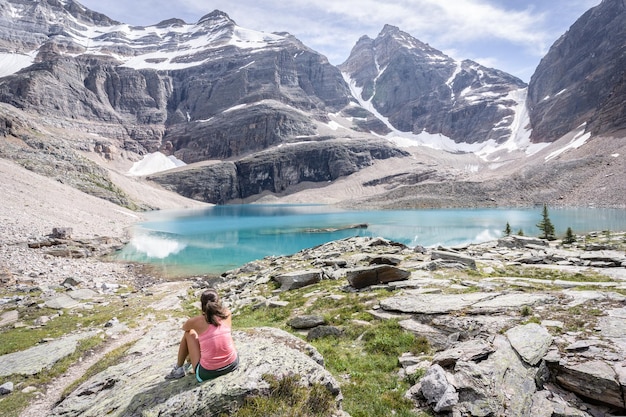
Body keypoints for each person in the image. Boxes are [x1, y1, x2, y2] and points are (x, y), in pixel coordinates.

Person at [165, 288, 239, 382]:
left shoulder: (195, 321)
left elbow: (185, 328)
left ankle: (178, 369)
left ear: (202, 304)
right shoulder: (226, 313)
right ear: (218, 302)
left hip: (207, 373)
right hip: (232, 364)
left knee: (189, 333)